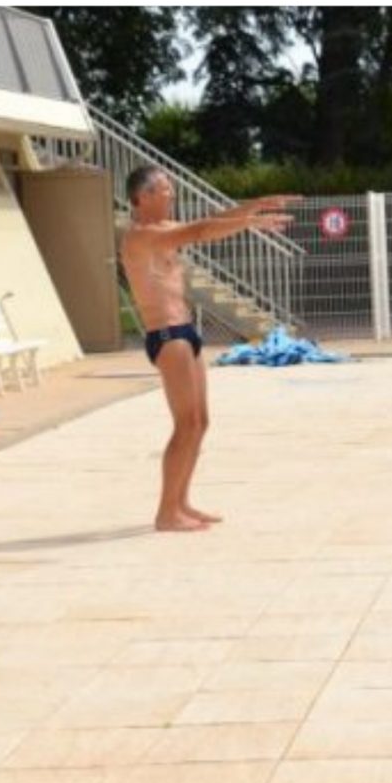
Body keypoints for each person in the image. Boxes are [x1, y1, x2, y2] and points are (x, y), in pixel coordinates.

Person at [120, 166, 297, 532]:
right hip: (169, 336)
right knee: (185, 424)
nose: (173, 194)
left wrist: (254, 205)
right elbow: (201, 232)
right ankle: (166, 512)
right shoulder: (141, 237)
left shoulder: (164, 230)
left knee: (200, 423)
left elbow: (209, 221)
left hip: (184, 330)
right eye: (166, 189)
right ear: (145, 196)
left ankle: (181, 503)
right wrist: (249, 222)